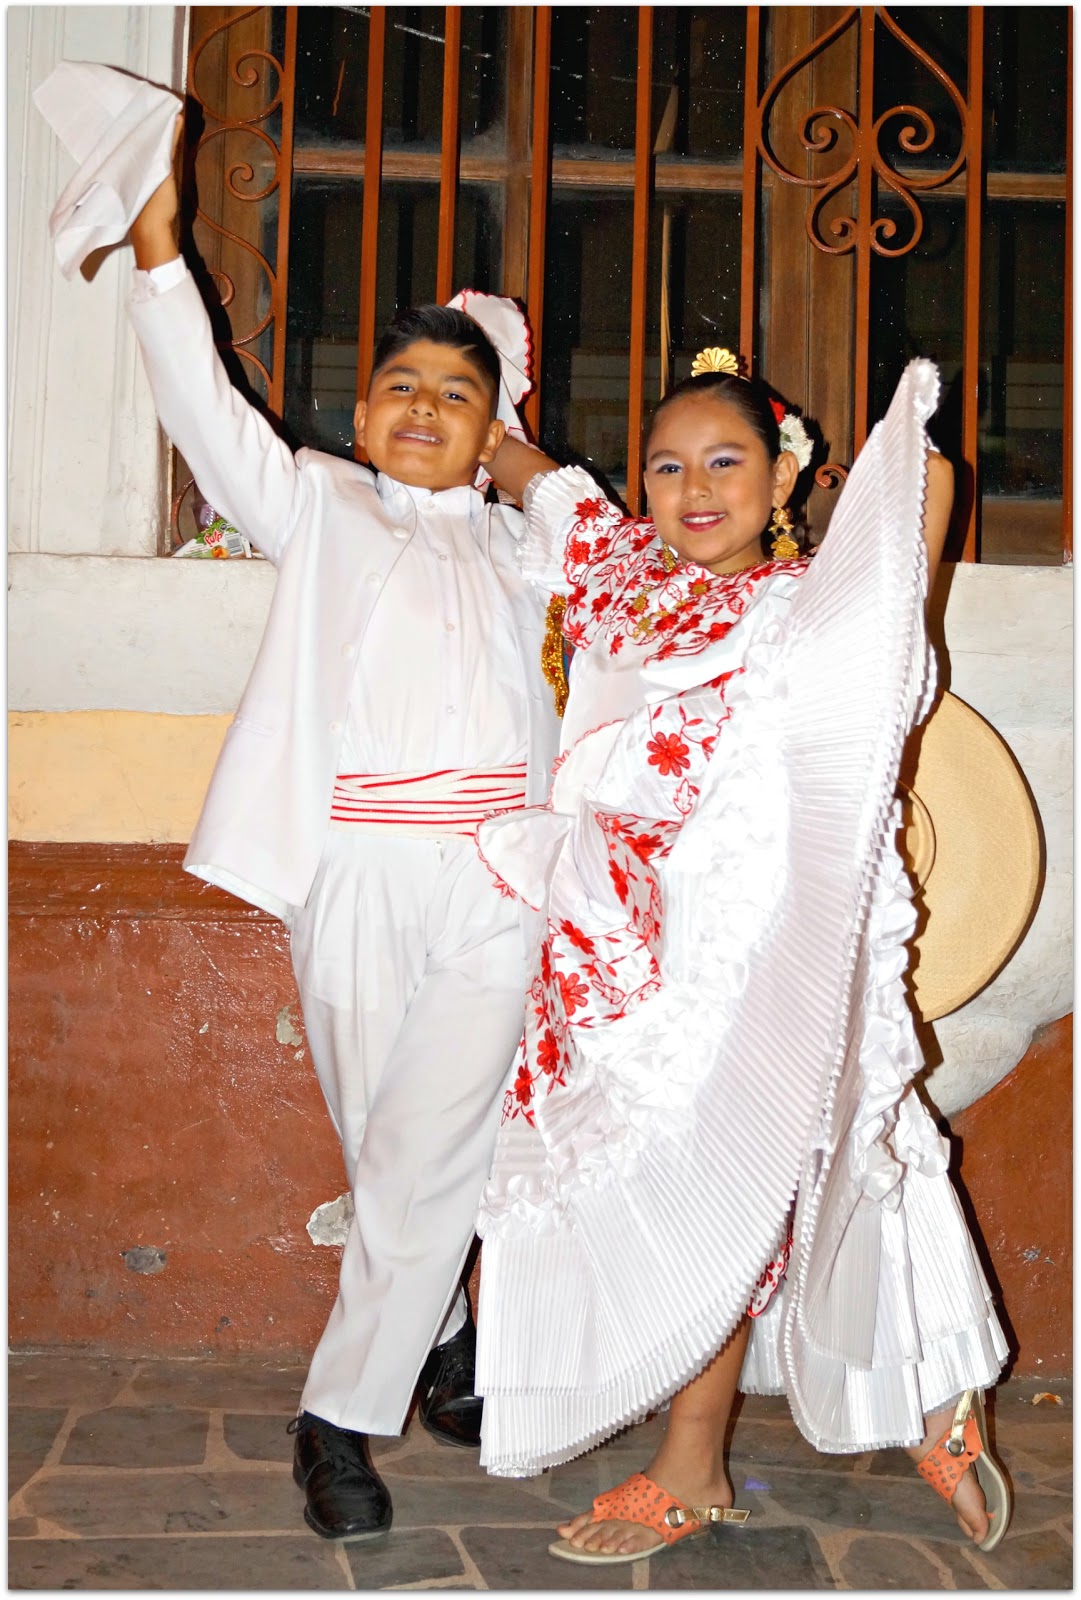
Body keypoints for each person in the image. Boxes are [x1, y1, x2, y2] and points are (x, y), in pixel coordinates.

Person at [472, 352, 1012, 1565]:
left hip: (746, 957)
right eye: (666, 467)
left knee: (769, 1174)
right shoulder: (618, 570)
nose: (694, 487)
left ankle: (721, 1452)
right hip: (615, 948)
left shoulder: (806, 608)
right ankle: (923, 1398)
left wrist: (876, 466)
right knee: (690, 1185)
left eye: (727, 461)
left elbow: (926, 493)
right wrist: (476, 389)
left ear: (782, 479)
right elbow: (531, 473)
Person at [123, 157, 560, 1542]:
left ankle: (334, 1417)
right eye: (400, 387)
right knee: (390, 1143)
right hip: (358, 865)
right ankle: (445, 1343)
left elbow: (617, 565)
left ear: (494, 428)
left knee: (434, 1140)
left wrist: (530, 474)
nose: (424, 407)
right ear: (362, 416)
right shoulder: (317, 503)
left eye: (459, 393)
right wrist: (157, 251)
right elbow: (205, 408)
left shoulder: (532, 552)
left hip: (502, 877)